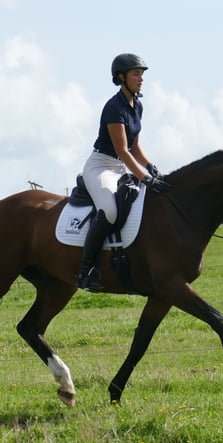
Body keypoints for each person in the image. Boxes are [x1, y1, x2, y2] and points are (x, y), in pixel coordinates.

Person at [75, 53, 169, 292]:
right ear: (121, 77)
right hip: (101, 166)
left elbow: (135, 147)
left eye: (142, 74)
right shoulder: (114, 107)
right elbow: (122, 151)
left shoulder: (137, 105)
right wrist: (144, 177)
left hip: (120, 167)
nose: (141, 78)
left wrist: (151, 168)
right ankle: (85, 270)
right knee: (108, 211)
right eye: (136, 73)